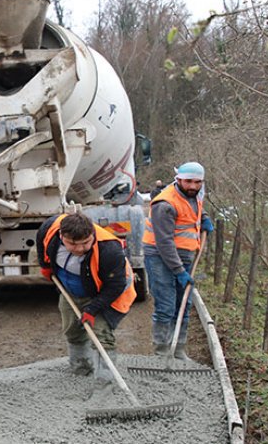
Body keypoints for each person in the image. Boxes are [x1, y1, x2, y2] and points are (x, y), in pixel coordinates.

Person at [36, 212, 137, 381]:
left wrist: (92, 309)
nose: (80, 249)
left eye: (85, 243)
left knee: (101, 334)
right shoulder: (50, 229)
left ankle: (105, 381)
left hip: (105, 292)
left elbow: (116, 285)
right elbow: (41, 243)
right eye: (73, 244)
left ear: (92, 235)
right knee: (72, 331)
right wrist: (45, 266)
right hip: (71, 290)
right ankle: (81, 372)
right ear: (62, 236)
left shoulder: (109, 250)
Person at [142, 162, 214, 361]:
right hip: (159, 255)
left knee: (184, 302)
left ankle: (179, 349)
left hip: (185, 255)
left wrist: (204, 217)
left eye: (197, 182)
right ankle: (162, 351)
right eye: (188, 181)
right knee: (166, 305)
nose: (193, 186)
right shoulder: (164, 204)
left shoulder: (196, 194)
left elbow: (194, 209)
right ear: (178, 179)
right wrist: (179, 271)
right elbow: (164, 242)